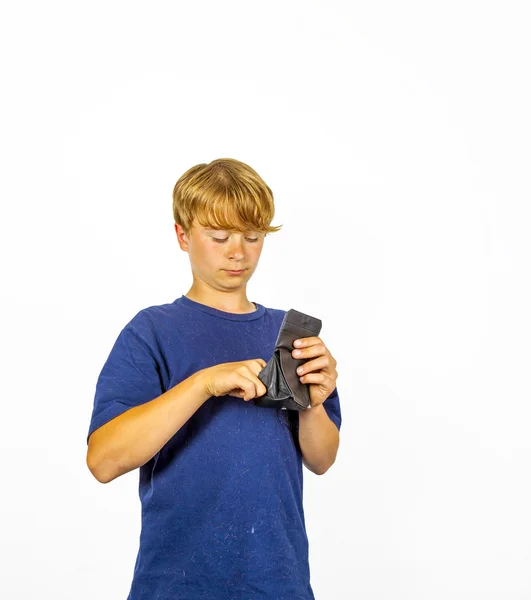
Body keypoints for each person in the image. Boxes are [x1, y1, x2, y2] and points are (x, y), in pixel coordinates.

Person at [86, 158, 342, 599]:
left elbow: (322, 460)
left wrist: (314, 403)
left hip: (277, 582)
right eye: (219, 236)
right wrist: (203, 384)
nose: (237, 252)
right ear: (182, 236)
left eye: (252, 236)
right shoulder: (151, 331)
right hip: (176, 585)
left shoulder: (289, 333)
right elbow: (104, 461)